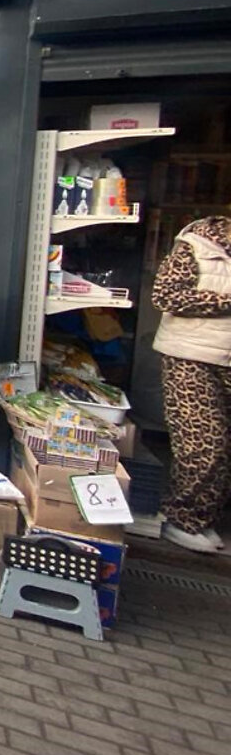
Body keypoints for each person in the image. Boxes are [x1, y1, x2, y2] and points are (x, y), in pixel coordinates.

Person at [151, 209, 231, 553]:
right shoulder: (198, 242)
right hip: (191, 356)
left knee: (223, 448)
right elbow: (165, 295)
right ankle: (180, 518)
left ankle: (202, 517)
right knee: (204, 444)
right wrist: (226, 302)